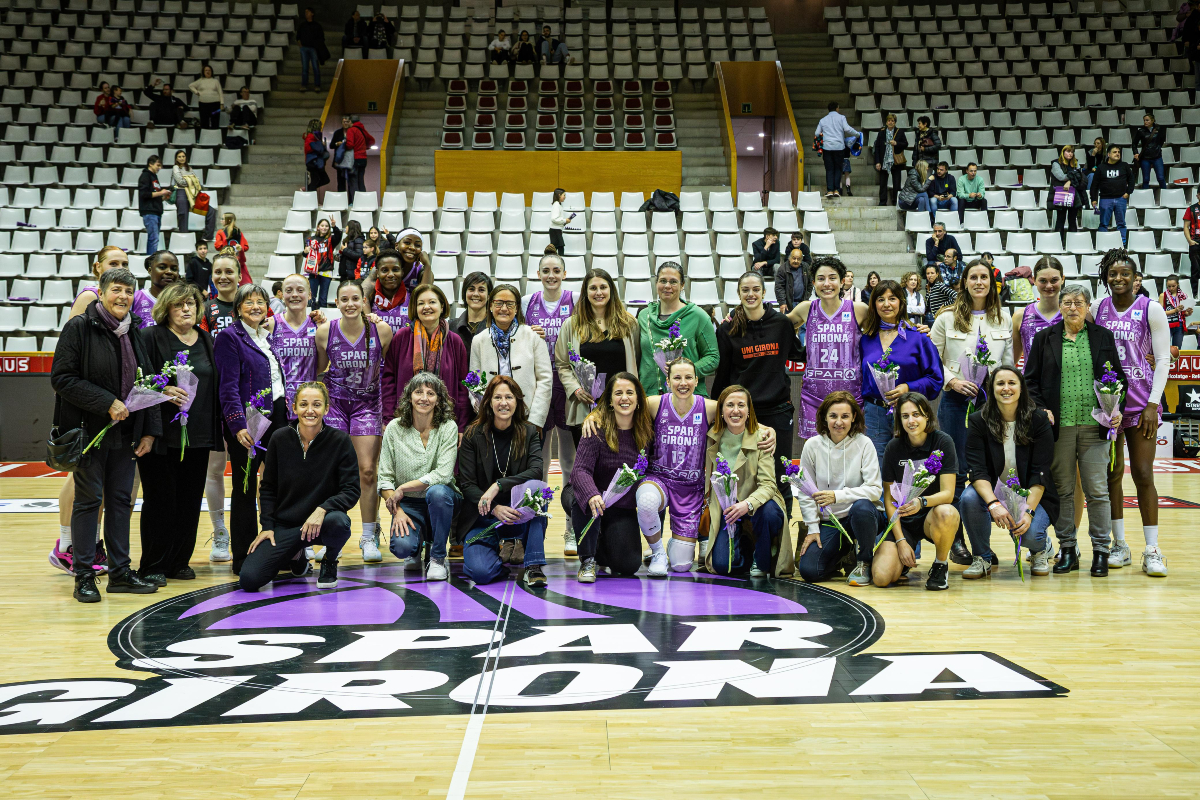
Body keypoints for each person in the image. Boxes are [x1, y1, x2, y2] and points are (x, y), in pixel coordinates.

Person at [51, 267, 169, 602]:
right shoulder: (80, 327)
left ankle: (120, 573)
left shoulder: (134, 332)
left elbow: (148, 385)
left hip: (127, 435)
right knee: (89, 502)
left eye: (129, 292)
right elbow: (62, 378)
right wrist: (107, 403)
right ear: (101, 292)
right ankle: (84, 577)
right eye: (117, 290)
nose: (123, 297)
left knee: (120, 502)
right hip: (91, 432)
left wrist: (151, 432)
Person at [1024, 283, 1126, 577]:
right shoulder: (1045, 339)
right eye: (1066, 302)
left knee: (1097, 491)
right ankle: (1068, 549)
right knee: (1065, 491)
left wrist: (1115, 408)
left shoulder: (1102, 337)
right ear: (1060, 306)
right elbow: (1030, 382)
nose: (1072, 307)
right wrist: (1042, 410)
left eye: (1078, 302)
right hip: (1060, 429)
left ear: (1087, 306)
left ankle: (1101, 552)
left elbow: (1118, 378)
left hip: (1096, 426)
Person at [1091, 249, 1171, 577]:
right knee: (1111, 476)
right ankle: (1119, 544)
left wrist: (1153, 404)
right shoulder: (1097, 309)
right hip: (1108, 405)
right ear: (1105, 277)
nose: (1119, 278)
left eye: (1125, 273)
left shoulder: (1151, 309)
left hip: (1140, 404)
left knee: (1143, 474)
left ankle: (1152, 549)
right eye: (1113, 273)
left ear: (1136, 277)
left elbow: (1163, 359)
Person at [137, 281, 222, 585]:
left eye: (191, 304)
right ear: (166, 309)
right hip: (160, 436)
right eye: (179, 304)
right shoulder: (150, 337)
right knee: (160, 501)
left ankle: (179, 562)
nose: (186, 309)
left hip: (198, 435)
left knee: (189, 501)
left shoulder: (207, 340)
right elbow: (137, 380)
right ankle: (153, 565)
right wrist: (163, 388)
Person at [930, 258, 1014, 563]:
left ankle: (982, 545)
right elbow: (932, 359)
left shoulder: (1003, 319)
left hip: (990, 405)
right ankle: (956, 541)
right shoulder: (946, 318)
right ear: (964, 282)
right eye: (973, 277)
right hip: (956, 402)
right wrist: (952, 382)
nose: (979, 282)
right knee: (955, 471)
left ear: (991, 284)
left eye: (984, 278)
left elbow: (1009, 363)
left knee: (986, 470)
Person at [241, 382, 360, 592]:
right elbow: (267, 488)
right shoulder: (279, 438)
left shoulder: (340, 441)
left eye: (317, 404)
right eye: (303, 404)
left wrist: (323, 509)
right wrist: (267, 527)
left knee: (339, 522)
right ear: (293, 408)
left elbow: (351, 490)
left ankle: (329, 561)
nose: (310, 410)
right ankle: (297, 555)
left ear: (326, 408)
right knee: (250, 579)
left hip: (322, 523)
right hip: (286, 526)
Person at [214, 283, 291, 573]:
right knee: (244, 489)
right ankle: (243, 557)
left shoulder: (266, 337)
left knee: (277, 486)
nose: (256, 307)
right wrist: (236, 424)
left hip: (279, 419)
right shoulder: (229, 337)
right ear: (237, 309)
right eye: (249, 303)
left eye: (260, 302)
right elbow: (228, 386)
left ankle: (278, 551)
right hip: (248, 422)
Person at [316, 280, 394, 562]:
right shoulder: (325, 331)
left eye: (355, 299)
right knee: (331, 472)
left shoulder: (381, 330)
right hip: (336, 404)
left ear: (364, 301)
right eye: (344, 299)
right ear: (336, 303)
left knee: (367, 471)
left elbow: (389, 373)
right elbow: (319, 372)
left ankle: (369, 535)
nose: (350, 304)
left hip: (368, 404)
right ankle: (329, 537)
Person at [713, 271, 803, 511]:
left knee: (781, 474)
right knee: (743, 476)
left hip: (778, 410)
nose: (750, 294)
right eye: (745, 290)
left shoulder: (782, 324)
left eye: (755, 289)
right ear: (739, 294)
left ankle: (782, 538)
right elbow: (723, 375)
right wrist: (716, 412)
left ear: (764, 293)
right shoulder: (728, 329)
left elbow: (799, 354)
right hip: (741, 415)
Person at [960, 367, 1057, 579]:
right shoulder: (978, 421)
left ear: (1021, 388)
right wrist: (993, 503)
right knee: (968, 498)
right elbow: (978, 471)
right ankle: (982, 557)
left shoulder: (1038, 420)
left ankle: (1040, 549)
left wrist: (1028, 512)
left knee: (1030, 535)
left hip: (1031, 493)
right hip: (994, 491)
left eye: (1012, 383)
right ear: (991, 388)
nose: (1006, 388)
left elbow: (1040, 473)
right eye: (1000, 383)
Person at [457, 376, 548, 586]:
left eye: (509, 397)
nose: (503, 402)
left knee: (537, 490)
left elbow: (536, 471)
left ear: (517, 402)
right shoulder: (473, 434)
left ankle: (533, 566)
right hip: (484, 517)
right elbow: (467, 485)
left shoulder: (530, 432)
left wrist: (498, 485)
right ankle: (496, 559)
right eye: (497, 397)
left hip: (519, 515)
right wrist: (495, 508)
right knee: (480, 573)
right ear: (488, 402)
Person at [570, 373, 654, 579]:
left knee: (628, 565)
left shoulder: (646, 432)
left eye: (629, 393)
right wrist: (591, 494)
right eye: (618, 393)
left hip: (620, 506)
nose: (624, 398)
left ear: (638, 400)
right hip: (591, 498)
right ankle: (588, 558)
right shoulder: (595, 428)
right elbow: (579, 470)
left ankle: (601, 542)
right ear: (609, 400)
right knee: (580, 501)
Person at [795, 391, 884, 584]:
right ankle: (843, 553)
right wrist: (812, 528)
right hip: (830, 520)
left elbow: (875, 490)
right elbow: (805, 491)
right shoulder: (812, 445)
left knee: (861, 508)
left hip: (862, 517)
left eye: (845, 416)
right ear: (824, 417)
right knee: (810, 572)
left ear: (854, 418)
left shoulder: (864, 444)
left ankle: (864, 562)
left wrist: (837, 496)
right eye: (833, 416)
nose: (839, 422)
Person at [379, 373, 461, 579]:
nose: (424, 398)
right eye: (418, 392)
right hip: (408, 504)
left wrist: (403, 488)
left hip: (442, 499)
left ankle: (437, 558)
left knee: (437, 492)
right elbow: (385, 477)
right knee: (402, 548)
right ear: (409, 397)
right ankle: (415, 548)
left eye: (431, 393)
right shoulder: (394, 429)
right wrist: (397, 511)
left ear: (439, 400)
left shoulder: (448, 427)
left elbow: (442, 475)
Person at [875, 393, 961, 589]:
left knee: (947, 511)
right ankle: (902, 561)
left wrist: (921, 502)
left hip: (932, 517)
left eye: (916, 414)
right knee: (881, 578)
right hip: (903, 520)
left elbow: (948, 494)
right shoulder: (893, 447)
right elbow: (888, 500)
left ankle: (940, 565)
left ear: (927, 416)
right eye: (905, 416)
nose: (911, 421)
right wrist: (901, 541)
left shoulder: (942, 442)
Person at [523, 253, 578, 550]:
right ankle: (538, 528)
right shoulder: (526, 302)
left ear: (565, 273)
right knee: (540, 463)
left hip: (568, 388)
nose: (551, 275)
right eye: (546, 270)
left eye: (556, 270)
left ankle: (570, 529)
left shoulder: (575, 299)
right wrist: (529, 333)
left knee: (569, 462)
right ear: (538, 273)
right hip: (540, 390)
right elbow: (516, 337)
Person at [703, 385, 787, 577]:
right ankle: (747, 549)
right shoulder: (711, 438)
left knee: (768, 514)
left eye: (741, 405)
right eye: (729, 405)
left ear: (749, 411)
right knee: (724, 566)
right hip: (727, 510)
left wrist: (747, 504)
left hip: (758, 505)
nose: (735, 410)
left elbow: (769, 486)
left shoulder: (762, 438)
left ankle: (763, 560)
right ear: (721, 411)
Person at [554, 268, 640, 445]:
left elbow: (636, 360)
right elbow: (562, 364)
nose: (599, 292)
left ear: (611, 291)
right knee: (588, 466)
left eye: (603, 287)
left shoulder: (629, 323)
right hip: (585, 406)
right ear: (585, 293)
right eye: (593, 288)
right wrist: (576, 389)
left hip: (622, 406)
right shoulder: (571, 325)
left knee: (620, 464)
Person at [860, 280, 943, 459]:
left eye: (892, 298)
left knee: (910, 467)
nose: (886, 304)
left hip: (910, 411)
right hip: (874, 414)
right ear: (874, 304)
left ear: (902, 302)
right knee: (877, 469)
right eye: (880, 299)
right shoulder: (865, 339)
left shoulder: (919, 337)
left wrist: (908, 388)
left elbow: (935, 379)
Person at [790, 256, 869, 440]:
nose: (827, 284)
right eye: (821, 278)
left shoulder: (859, 310)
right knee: (816, 458)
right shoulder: (806, 309)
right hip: (814, 397)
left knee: (850, 457)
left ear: (842, 282)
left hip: (850, 398)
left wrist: (913, 327)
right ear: (813, 283)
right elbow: (777, 328)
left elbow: (885, 331)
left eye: (832, 278)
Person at [380, 283, 470, 431]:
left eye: (432, 302)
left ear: (442, 307)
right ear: (415, 309)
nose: (426, 307)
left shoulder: (455, 341)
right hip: (405, 420)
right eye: (421, 303)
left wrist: (460, 427)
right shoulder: (401, 337)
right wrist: (389, 418)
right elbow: (389, 380)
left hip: (445, 423)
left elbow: (463, 387)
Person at [636, 261, 720, 396]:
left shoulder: (698, 316)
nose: (667, 286)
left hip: (688, 398)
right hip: (650, 399)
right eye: (663, 281)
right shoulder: (644, 316)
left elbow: (713, 357)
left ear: (682, 285)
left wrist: (686, 371)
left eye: (673, 282)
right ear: (656, 283)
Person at [1090, 144, 1134, 246]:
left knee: (1121, 224)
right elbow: (1094, 185)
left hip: (1121, 199)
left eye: (1118, 152)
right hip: (1105, 199)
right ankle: (1102, 243)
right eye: (1115, 152)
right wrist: (1093, 199)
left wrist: (1128, 192)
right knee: (1103, 224)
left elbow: (1131, 179)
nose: (1117, 154)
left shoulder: (1124, 166)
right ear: (1108, 154)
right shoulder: (1101, 167)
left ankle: (1122, 244)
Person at [171, 150, 219, 243]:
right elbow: (180, 181)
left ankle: (208, 236)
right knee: (183, 215)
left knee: (211, 211)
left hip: (193, 194)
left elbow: (197, 180)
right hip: (182, 193)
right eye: (179, 156)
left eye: (183, 156)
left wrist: (190, 181)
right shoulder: (175, 167)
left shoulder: (189, 168)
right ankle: (184, 239)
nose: (182, 158)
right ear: (176, 158)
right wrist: (191, 181)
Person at [814, 101, 860, 197]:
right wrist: (857, 134)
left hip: (827, 147)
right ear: (837, 108)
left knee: (829, 169)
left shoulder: (823, 120)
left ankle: (830, 190)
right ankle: (836, 190)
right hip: (839, 147)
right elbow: (847, 129)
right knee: (838, 169)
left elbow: (817, 133)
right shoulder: (841, 117)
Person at [131, 250, 179, 329]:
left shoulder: (184, 302)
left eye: (174, 269)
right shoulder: (135, 298)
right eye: (162, 267)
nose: (169, 272)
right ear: (150, 270)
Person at [303, 216, 342, 310]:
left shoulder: (330, 239)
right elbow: (305, 255)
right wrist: (305, 251)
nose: (324, 227)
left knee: (323, 298)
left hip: (326, 272)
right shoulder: (311, 239)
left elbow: (339, 236)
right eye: (322, 225)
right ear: (318, 227)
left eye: (326, 226)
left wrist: (334, 226)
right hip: (314, 272)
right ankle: (311, 317)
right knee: (311, 297)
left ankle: (323, 320)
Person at [450, 271, 492, 356]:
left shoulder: (495, 326)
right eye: (471, 289)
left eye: (481, 290)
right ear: (464, 294)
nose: (476, 294)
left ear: (488, 296)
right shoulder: (451, 326)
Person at [1049, 145, 1087, 234]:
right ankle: (1059, 242)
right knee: (1060, 219)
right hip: (1061, 193)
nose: (1070, 154)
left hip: (1074, 194)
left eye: (1072, 152)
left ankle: (1072, 243)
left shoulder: (1075, 163)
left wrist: (1069, 181)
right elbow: (1061, 177)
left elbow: (1079, 176)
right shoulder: (1056, 163)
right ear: (1063, 152)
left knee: (1072, 219)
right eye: (1068, 151)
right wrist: (1072, 178)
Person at [873, 113, 908, 206]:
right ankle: (882, 202)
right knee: (883, 183)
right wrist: (877, 162)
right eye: (889, 120)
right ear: (886, 122)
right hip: (883, 161)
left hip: (896, 161)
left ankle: (895, 202)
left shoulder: (900, 132)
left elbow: (905, 144)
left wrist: (896, 143)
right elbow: (877, 147)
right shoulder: (881, 132)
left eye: (892, 121)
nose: (890, 122)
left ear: (895, 122)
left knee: (896, 183)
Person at [138, 155, 170, 255]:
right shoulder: (145, 176)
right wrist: (161, 193)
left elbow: (154, 196)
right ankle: (151, 261)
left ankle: (151, 259)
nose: (159, 168)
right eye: (158, 165)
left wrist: (164, 197)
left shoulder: (154, 177)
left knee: (154, 238)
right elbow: (144, 194)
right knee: (153, 238)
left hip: (155, 211)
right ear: (150, 164)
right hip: (149, 212)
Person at [774, 243, 812, 315]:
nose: (796, 261)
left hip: (802, 303)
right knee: (788, 325)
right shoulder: (782, 269)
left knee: (803, 326)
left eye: (798, 259)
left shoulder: (806, 267)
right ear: (789, 258)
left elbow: (810, 283)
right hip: (788, 304)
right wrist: (782, 302)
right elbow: (779, 287)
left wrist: (806, 297)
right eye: (794, 258)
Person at [344, 115, 376, 201]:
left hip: (355, 159)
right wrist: (365, 147)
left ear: (351, 122)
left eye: (348, 121)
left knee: (353, 180)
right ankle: (363, 202)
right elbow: (372, 140)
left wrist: (343, 145)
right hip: (363, 159)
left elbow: (350, 145)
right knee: (360, 181)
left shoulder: (351, 130)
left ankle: (356, 202)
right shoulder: (362, 130)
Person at [1132, 113, 1167, 190]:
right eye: (1144, 120)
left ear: (1152, 120)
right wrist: (1136, 153)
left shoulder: (1159, 129)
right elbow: (1134, 143)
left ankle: (1165, 194)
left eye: (1147, 120)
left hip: (1157, 156)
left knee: (1161, 178)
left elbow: (1162, 140)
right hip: (1145, 157)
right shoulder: (1141, 131)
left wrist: (1157, 147)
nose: (1145, 122)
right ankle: (1145, 197)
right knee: (1146, 179)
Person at [188, 64, 224, 129]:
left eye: (209, 70)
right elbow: (190, 86)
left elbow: (220, 92)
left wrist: (222, 103)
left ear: (212, 72)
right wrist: (196, 92)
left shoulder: (215, 81)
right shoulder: (200, 81)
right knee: (204, 121)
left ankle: (215, 136)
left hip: (215, 104)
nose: (208, 72)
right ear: (203, 72)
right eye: (206, 70)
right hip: (203, 104)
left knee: (215, 121)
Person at [298, 7, 325, 92]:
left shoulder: (317, 25)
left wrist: (317, 46)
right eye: (305, 12)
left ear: (312, 13)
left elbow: (321, 37)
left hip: (314, 48)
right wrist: (301, 46)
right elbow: (298, 36)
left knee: (315, 67)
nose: (306, 14)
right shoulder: (302, 25)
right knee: (305, 67)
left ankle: (317, 85)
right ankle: (304, 84)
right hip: (304, 48)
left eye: (308, 12)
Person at [1161, 275, 1191, 350]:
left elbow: (1184, 313)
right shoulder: (1163, 295)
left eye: (1173, 286)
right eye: (1169, 286)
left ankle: (1175, 362)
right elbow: (1161, 313)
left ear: (1178, 284)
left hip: (1179, 324)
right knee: (1164, 348)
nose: (1171, 288)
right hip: (1167, 324)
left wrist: (1188, 313)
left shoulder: (1183, 296)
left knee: (1177, 349)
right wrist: (1175, 310)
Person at [303, 119, 330, 191]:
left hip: (312, 161)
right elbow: (309, 149)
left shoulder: (310, 136)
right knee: (317, 180)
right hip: (314, 161)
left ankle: (308, 189)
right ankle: (309, 191)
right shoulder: (312, 137)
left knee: (318, 180)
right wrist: (321, 145)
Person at [1182, 196, 1200, 296]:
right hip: (1196, 243)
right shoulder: (1191, 209)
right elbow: (1186, 226)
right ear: (1198, 195)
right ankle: (1195, 293)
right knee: (1195, 269)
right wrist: (1190, 241)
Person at [549, 188, 572, 256]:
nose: (565, 197)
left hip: (556, 230)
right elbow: (554, 219)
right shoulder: (556, 205)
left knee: (558, 247)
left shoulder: (558, 205)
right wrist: (564, 220)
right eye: (564, 195)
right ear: (559, 195)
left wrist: (565, 222)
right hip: (555, 230)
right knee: (560, 247)